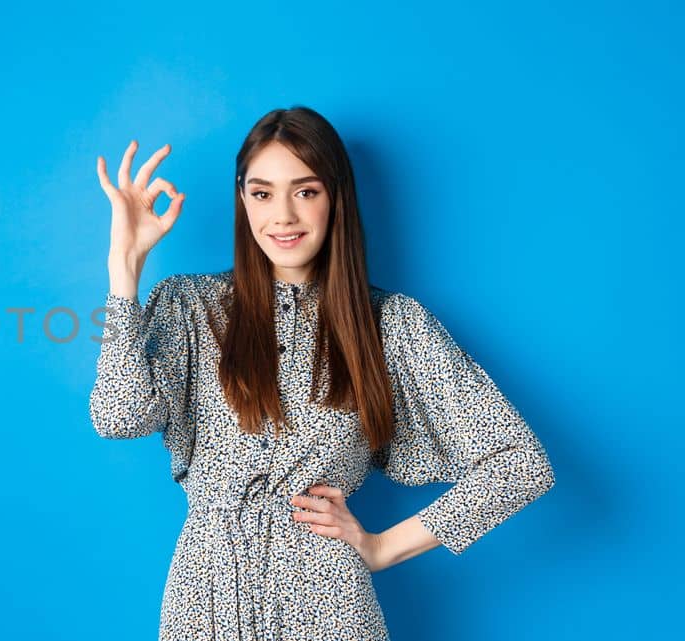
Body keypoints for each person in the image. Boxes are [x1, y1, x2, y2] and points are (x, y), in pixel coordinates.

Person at [87, 105, 555, 641]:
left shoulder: (392, 325)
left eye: (305, 191)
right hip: (205, 599)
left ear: (335, 198)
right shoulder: (191, 305)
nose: (282, 216)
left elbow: (520, 465)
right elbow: (118, 415)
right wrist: (124, 267)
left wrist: (381, 546)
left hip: (328, 604)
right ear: (243, 200)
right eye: (262, 193)